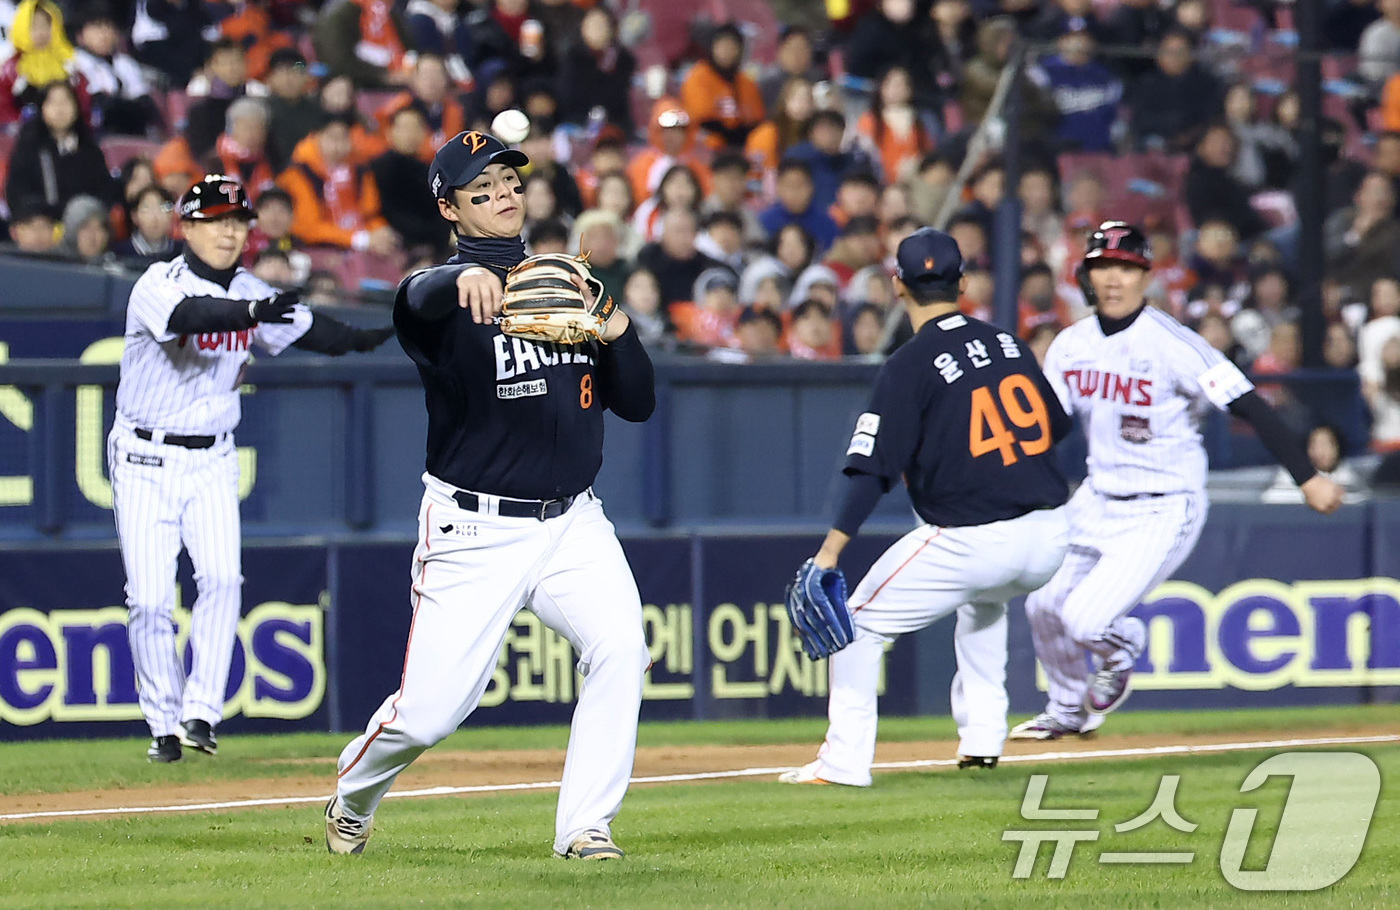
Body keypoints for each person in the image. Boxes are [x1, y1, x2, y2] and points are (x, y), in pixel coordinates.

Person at [328, 130, 657, 861]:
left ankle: (584, 828)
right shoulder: (444, 303)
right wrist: (456, 279)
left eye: (509, 182)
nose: (504, 195)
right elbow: (410, 303)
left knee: (622, 648)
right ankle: (354, 792)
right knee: (429, 716)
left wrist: (617, 327)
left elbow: (636, 403)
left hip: (574, 520)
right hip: (475, 529)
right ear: (450, 208)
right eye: (483, 191)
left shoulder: (562, 280)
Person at [1013, 222, 1345, 741]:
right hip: (1098, 497)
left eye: (1125, 267)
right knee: (1042, 605)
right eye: (1103, 267)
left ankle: (1124, 647)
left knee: (1084, 619)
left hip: (1164, 503)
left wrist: (1307, 477)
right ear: (1087, 275)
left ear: (1145, 276)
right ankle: (1068, 708)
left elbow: (1250, 404)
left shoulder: (1175, 343)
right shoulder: (1069, 346)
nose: (1114, 278)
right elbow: (1047, 429)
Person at [110, 175, 395, 764]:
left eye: (238, 221)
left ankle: (201, 714)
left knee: (222, 581)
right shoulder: (157, 283)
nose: (229, 230)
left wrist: (378, 335)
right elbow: (190, 315)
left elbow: (316, 330)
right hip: (144, 455)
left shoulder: (249, 291)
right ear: (187, 227)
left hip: (213, 455)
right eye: (216, 220)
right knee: (150, 600)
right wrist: (253, 308)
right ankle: (162, 721)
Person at [779, 227, 1074, 786]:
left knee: (858, 625)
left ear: (898, 286)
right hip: (1052, 535)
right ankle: (984, 739)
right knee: (983, 605)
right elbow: (1058, 426)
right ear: (961, 284)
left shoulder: (909, 365)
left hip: (979, 539)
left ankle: (842, 763)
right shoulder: (1009, 345)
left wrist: (829, 554)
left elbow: (871, 471)